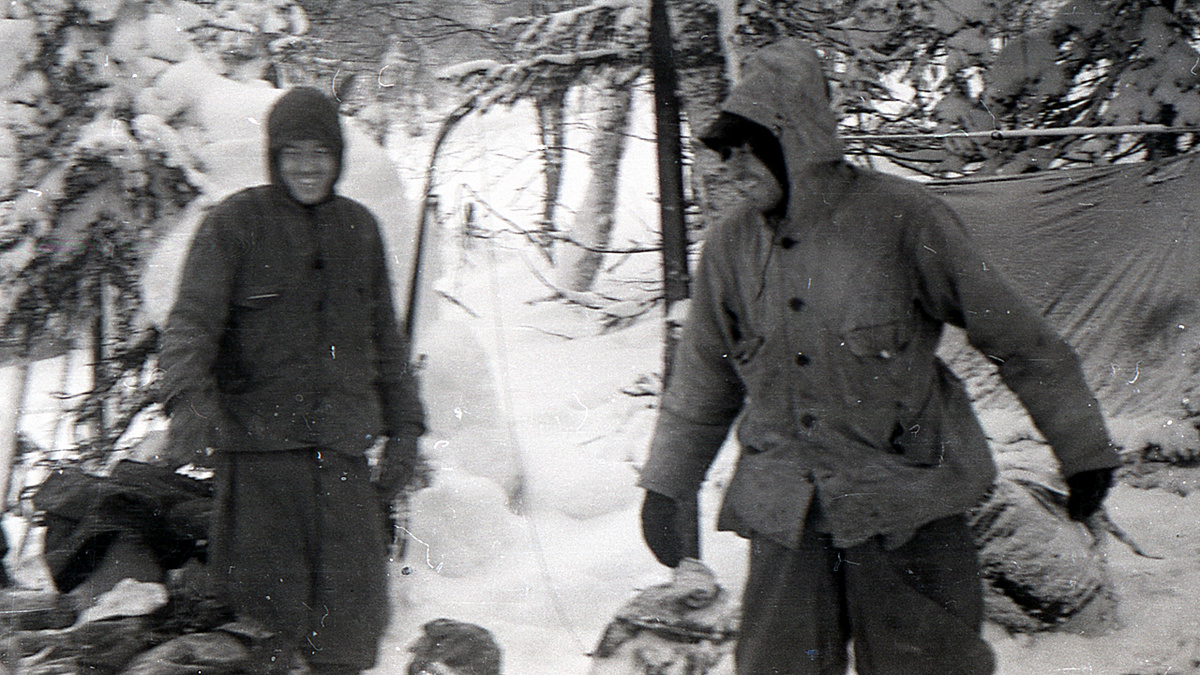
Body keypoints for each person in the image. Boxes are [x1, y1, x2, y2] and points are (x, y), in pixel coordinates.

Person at [637, 40, 1120, 675]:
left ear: (795, 141)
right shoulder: (729, 248)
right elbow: (703, 383)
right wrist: (668, 484)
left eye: (745, 145)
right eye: (721, 150)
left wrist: (1082, 451)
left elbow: (1018, 339)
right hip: (788, 513)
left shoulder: (903, 218)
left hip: (907, 504)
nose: (731, 164)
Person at [158, 86, 425, 675]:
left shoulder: (361, 230)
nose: (308, 166)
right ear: (274, 157)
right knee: (263, 638)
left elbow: (387, 342)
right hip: (260, 473)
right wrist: (187, 403)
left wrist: (406, 429)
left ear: (339, 156)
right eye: (293, 152)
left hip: (342, 468)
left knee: (351, 635)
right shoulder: (234, 224)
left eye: (321, 152)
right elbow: (190, 325)